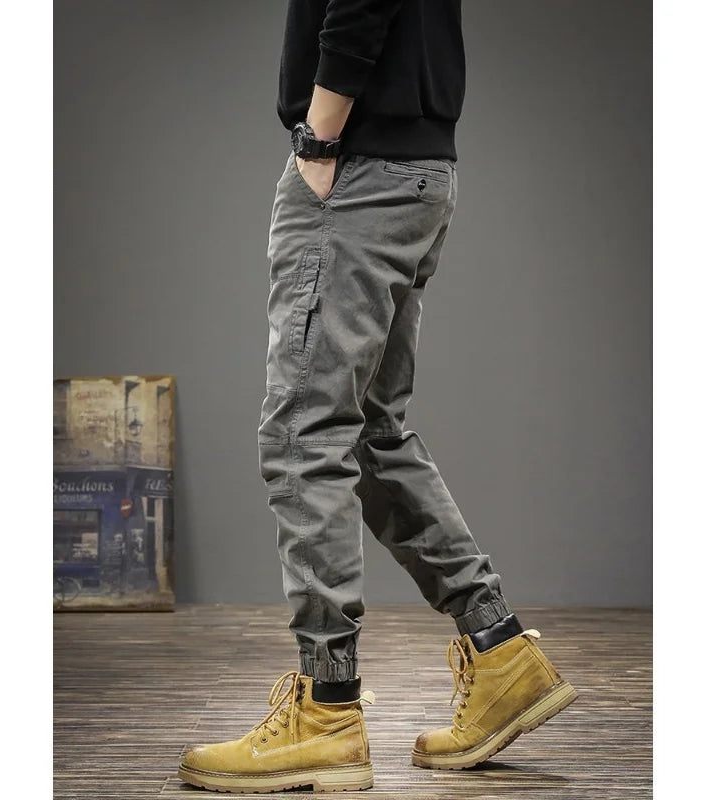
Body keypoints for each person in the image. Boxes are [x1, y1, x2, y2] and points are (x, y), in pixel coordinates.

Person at [179, 0, 577, 792]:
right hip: (419, 169)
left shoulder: (339, 149)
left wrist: (320, 136)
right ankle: (499, 651)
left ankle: (326, 711)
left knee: (305, 432)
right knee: (368, 432)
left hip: (358, 167)